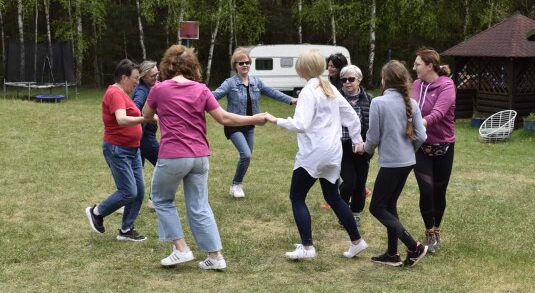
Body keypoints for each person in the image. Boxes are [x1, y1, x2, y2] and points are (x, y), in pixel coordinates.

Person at [142, 45, 267, 270]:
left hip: (173, 155)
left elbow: (146, 115)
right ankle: (215, 257)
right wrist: (253, 118)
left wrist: (165, 113)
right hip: (200, 156)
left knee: (161, 199)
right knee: (199, 205)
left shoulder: (159, 89)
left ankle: (180, 249)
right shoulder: (201, 89)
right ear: (192, 66)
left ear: (167, 65)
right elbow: (224, 118)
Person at [265, 49, 368, 260]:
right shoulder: (329, 87)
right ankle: (357, 242)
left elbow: (301, 125)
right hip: (333, 152)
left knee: (297, 196)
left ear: (301, 69)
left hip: (314, 153)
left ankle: (307, 247)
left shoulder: (308, 91)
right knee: (333, 196)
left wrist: (275, 119)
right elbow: (351, 116)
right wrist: (357, 139)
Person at [360, 60, 428, 267]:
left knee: (377, 207)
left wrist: (366, 151)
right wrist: (409, 152)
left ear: (385, 80)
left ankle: (414, 246)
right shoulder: (412, 103)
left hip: (391, 163)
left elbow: (372, 136)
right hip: (408, 161)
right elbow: (422, 136)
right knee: (389, 205)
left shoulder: (379, 103)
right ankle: (392, 254)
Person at [85, 59, 155, 242]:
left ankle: (126, 230)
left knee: (139, 191)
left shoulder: (123, 93)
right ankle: (97, 212)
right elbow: (122, 119)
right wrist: (145, 119)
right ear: (124, 77)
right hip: (118, 149)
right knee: (128, 191)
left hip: (133, 149)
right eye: (134, 78)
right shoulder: (115, 93)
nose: (137, 82)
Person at [213, 48, 297, 198]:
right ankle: (236, 185)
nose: (245, 65)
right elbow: (213, 96)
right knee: (245, 154)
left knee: (248, 156)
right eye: (241, 63)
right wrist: (197, 100)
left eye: (247, 62)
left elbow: (273, 92)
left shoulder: (257, 83)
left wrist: (291, 100)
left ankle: (236, 184)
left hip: (250, 126)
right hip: (233, 125)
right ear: (235, 66)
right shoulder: (229, 83)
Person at [411, 47, 456, 253]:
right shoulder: (416, 85)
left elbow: (438, 113)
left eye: (418, 64)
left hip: (444, 146)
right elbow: (408, 107)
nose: (414, 68)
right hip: (420, 146)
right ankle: (429, 231)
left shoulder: (447, 86)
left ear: (430, 66)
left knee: (439, 191)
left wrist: (421, 122)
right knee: (426, 189)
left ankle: (437, 230)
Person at [338, 65, 373, 226]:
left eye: (351, 79)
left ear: (359, 80)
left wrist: (369, 146)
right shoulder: (335, 98)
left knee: (360, 182)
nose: (347, 82)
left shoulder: (369, 99)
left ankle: (356, 212)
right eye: (344, 79)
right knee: (349, 181)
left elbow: (373, 125)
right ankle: (343, 210)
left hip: (362, 146)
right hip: (342, 145)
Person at [132, 60, 160, 209]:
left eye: (157, 74)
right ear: (143, 77)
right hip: (144, 137)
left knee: (136, 172)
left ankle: (125, 201)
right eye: (153, 75)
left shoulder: (151, 87)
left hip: (141, 137)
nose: (156, 77)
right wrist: (148, 118)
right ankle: (154, 199)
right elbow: (135, 109)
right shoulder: (142, 91)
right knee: (164, 163)